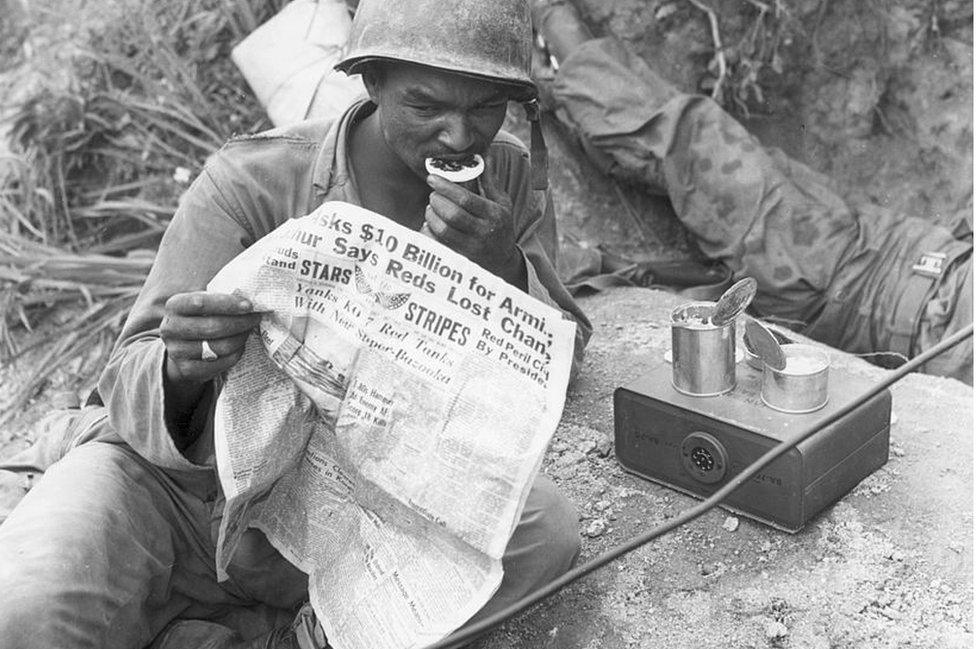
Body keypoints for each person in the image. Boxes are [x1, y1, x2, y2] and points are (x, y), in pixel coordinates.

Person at [0, 1, 592, 647]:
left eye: (485, 108)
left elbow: (556, 356)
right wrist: (181, 367)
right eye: (426, 107)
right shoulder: (250, 181)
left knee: (543, 530)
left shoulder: (504, 175)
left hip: (336, 507)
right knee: (29, 612)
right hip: (172, 496)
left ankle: (291, 633)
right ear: (372, 81)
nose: (459, 136)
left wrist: (503, 270)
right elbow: (129, 373)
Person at [532, 0, 972, 384]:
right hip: (879, 249)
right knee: (710, 160)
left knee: (692, 139)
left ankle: (548, 24)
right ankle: (566, 86)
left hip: (841, 275)